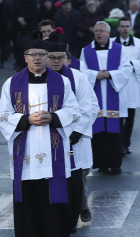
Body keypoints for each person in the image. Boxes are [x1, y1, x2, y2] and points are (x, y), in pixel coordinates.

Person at [0, 34, 80, 237]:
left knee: (53, 201)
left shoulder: (62, 82)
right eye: (33, 54)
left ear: (48, 57)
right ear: (25, 57)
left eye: (42, 54)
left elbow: (74, 111)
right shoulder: (12, 83)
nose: (37, 58)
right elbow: (1, 114)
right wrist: (26, 120)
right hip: (26, 155)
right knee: (28, 200)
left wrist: (53, 117)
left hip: (53, 154)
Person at [45, 38, 99, 233]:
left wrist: (76, 133)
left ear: (68, 59)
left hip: (75, 141)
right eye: (52, 57)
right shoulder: (38, 79)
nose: (56, 61)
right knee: (50, 182)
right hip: (47, 141)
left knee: (74, 184)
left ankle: (71, 220)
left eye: (60, 57)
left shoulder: (78, 78)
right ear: (45, 58)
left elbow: (90, 107)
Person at [80, 21, 133, 174]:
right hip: (94, 97)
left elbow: (127, 68)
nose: (99, 33)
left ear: (109, 33)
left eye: (102, 31)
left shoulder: (119, 49)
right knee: (97, 133)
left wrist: (110, 74)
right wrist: (95, 74)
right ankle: (101, 163)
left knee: (114, 132)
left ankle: (115, 163)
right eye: (96, 30)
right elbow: (81, 70)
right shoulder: (86, 51)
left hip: (113, 95)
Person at [113, 17, 140, 155]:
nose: (124, 29)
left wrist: (132, 64)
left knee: (130, 116)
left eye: (127, 26)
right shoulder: (111, 43)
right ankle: (117, 143)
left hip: (132, 84)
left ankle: (126, 144)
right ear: (117, 28)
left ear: (130, 28)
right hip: (117, 84)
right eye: (122, 26)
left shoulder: (139, 43)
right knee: (117, 116)